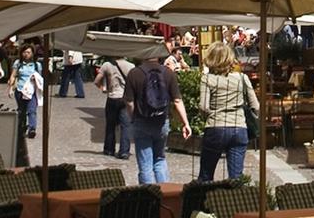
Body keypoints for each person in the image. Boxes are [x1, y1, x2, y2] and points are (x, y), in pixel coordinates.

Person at [123, 49, 192, 185]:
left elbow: (129, 102)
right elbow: (177, 101)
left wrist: (132, 118)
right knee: (160, 159)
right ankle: (166, 195)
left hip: (141, 121)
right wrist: (186, 123)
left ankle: (150, 197)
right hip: (161, 121)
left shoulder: (134, 73)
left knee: (145, 164)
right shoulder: (168, 73)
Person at [196, 42, 258, 183]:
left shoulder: (207, 79)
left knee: (206, 176)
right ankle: (234, 203)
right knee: (236, 179)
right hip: (239, 128)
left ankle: (203, 202)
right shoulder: (242, 78)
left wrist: (208, 115)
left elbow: (204, 107)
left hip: (215, 127)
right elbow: (256, 106)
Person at [94, 57, 133, 159]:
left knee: (110, 125)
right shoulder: (131, 66)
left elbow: (97, 81)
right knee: (126, 126)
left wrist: (103, 89)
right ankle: (124, 151)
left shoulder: (107, 65)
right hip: (125, 98)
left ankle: (109, 149)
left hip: (112, 97)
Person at [10, 43, 44, 138]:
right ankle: (22, 127)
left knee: (32, 110)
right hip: (20, 90)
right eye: (24, 52)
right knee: (21, 110)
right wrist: (11, 88)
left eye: (28, 52)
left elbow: (40, 78)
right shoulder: (18, 63)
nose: (26, 54)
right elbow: (13, 76)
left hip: (32, 91)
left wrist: (36, 78)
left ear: (33, 53)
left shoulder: (37, 65)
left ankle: (32, 128)